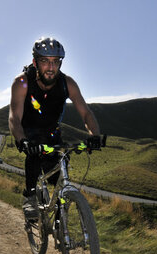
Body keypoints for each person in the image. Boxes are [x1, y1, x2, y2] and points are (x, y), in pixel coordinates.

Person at [8, 37, 101, 218]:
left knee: (60, 177)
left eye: (55, 62)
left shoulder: (68, 84)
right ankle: (30, 196)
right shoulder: (22, 83)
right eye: (45, 61)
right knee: (34, 157)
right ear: (35, 62)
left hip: (53, 134)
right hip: (29, 133)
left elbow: (86, 113)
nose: (51, 68)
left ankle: (60, 222)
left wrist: (94, 135)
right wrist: (22, 140)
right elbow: (14, 117)